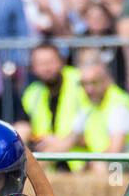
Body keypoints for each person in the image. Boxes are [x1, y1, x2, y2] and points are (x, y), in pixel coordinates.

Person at [52, 54, 129, 182]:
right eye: (84, 84)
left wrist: (87, 167)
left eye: (94, 82)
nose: (89, 89)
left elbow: (114, 153)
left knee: (102, 167)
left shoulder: (119, 105)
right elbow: (67, 142)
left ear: (107, 80)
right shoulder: (88, 105)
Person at [15, 41, 89, 169]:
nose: (47, 68)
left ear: (62, 61)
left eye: (50, 62)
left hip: (81, 160)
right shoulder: (32, 93)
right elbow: (25, 127)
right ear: (33, 68)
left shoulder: (82, 81)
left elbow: (96, 127)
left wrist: (61, 142)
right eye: (41, 64)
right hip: (49, 164)